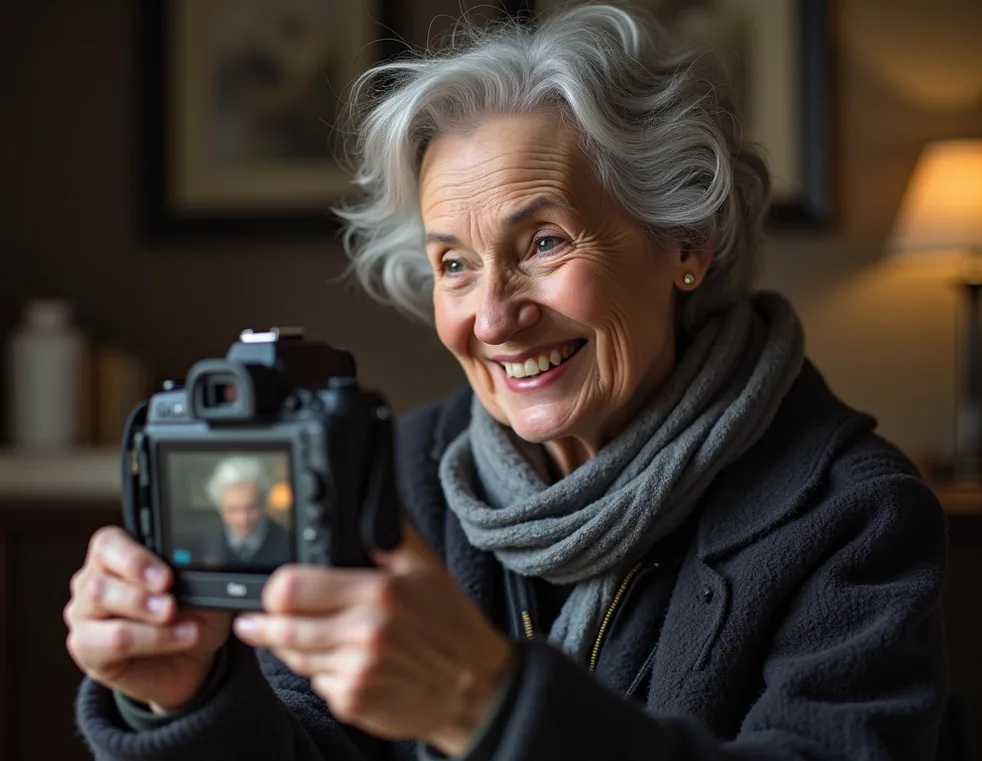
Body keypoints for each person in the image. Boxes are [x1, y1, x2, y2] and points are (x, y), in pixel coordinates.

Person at [63, 5, 948, 760]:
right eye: (453, 262)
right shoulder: (393, 468)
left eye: (545, 243)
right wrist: (184, 698)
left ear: (688, 242)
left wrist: (486, 706)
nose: (491, 316)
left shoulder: (849, 510)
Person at [201, 455, 292, 567]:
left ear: (263, 503)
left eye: (251, 507)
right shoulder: (204, 544)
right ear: (220, 509)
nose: (243, 519)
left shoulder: (289, 543)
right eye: (233, 510)